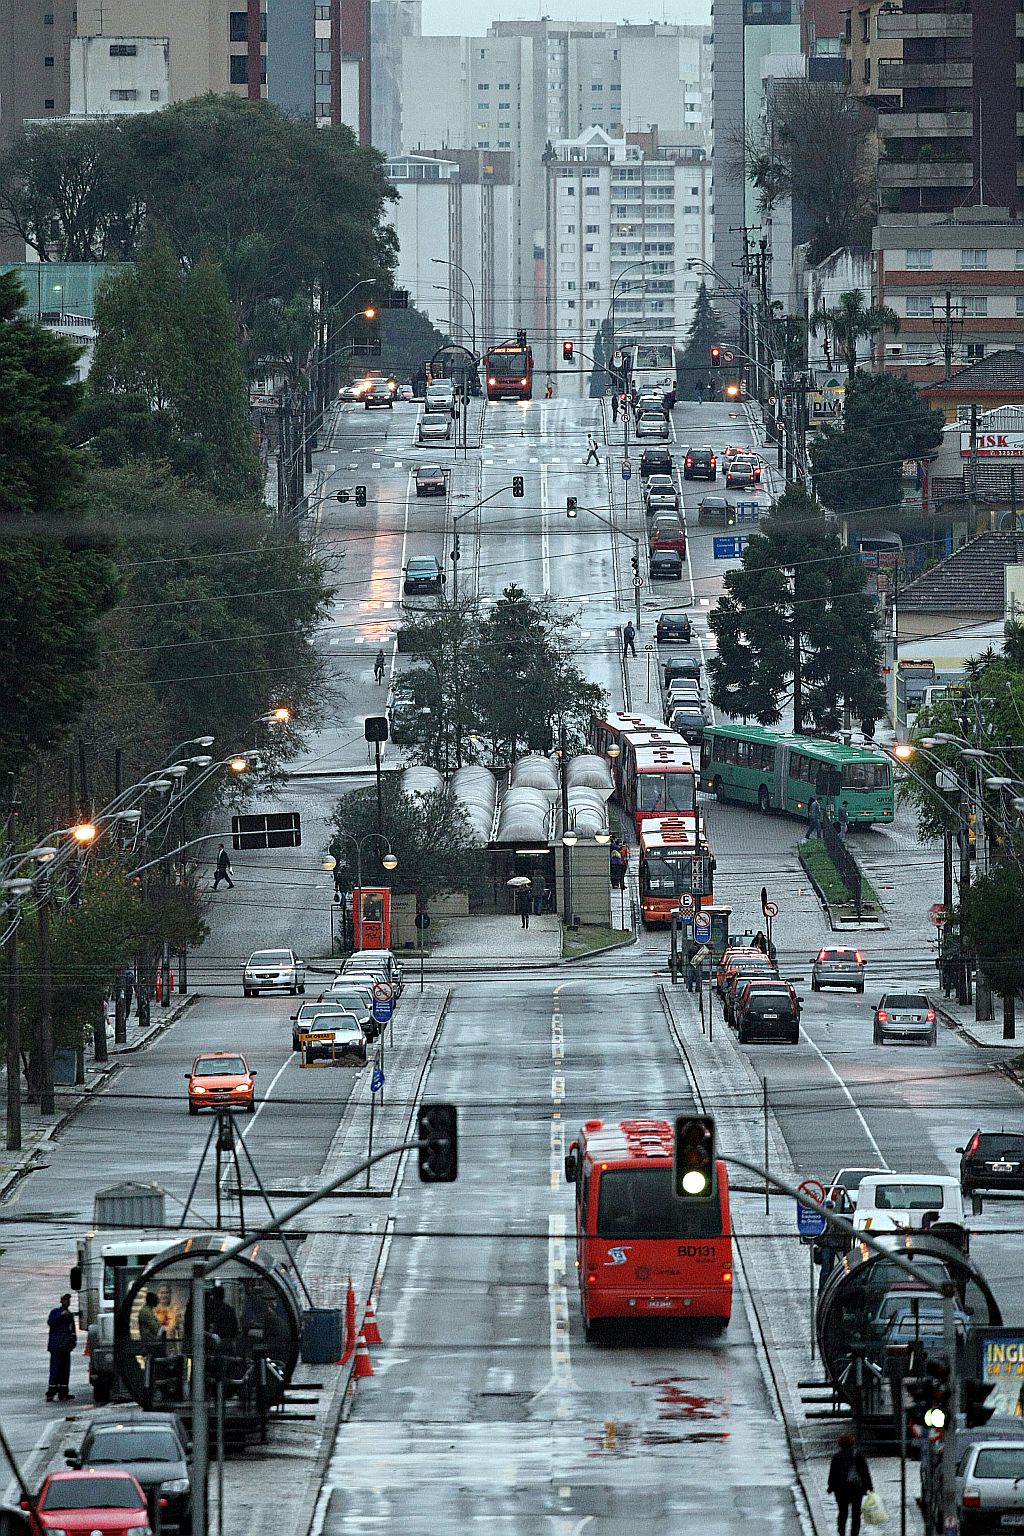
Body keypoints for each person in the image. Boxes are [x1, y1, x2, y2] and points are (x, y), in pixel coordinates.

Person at [827, 1431, 873, 1536]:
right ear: (852, 1443)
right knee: (856, 1513)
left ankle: (841, 1530)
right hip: (856, 1488)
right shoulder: (858, 1455)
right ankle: (854, 1533)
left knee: (842, 1511)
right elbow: (865, 1472)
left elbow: (833, 1473)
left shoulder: (836, 1456)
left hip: (841, 1489)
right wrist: (869, 1487)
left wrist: (831, 1486)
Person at [45, 1293, 76, 1402]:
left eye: (69, 1300)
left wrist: (73, 1342)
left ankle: (63, 1392)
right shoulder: (55, 1312)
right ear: (61, 1301)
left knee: (65, 1370)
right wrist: (61, 1315)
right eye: (65, 1300)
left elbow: (72, 1330)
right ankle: (51, 1392)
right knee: (55, 1369)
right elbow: (51, 1322)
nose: (67, 1302)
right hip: (56, 1346)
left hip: (66, 1347)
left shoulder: (70, 1315)